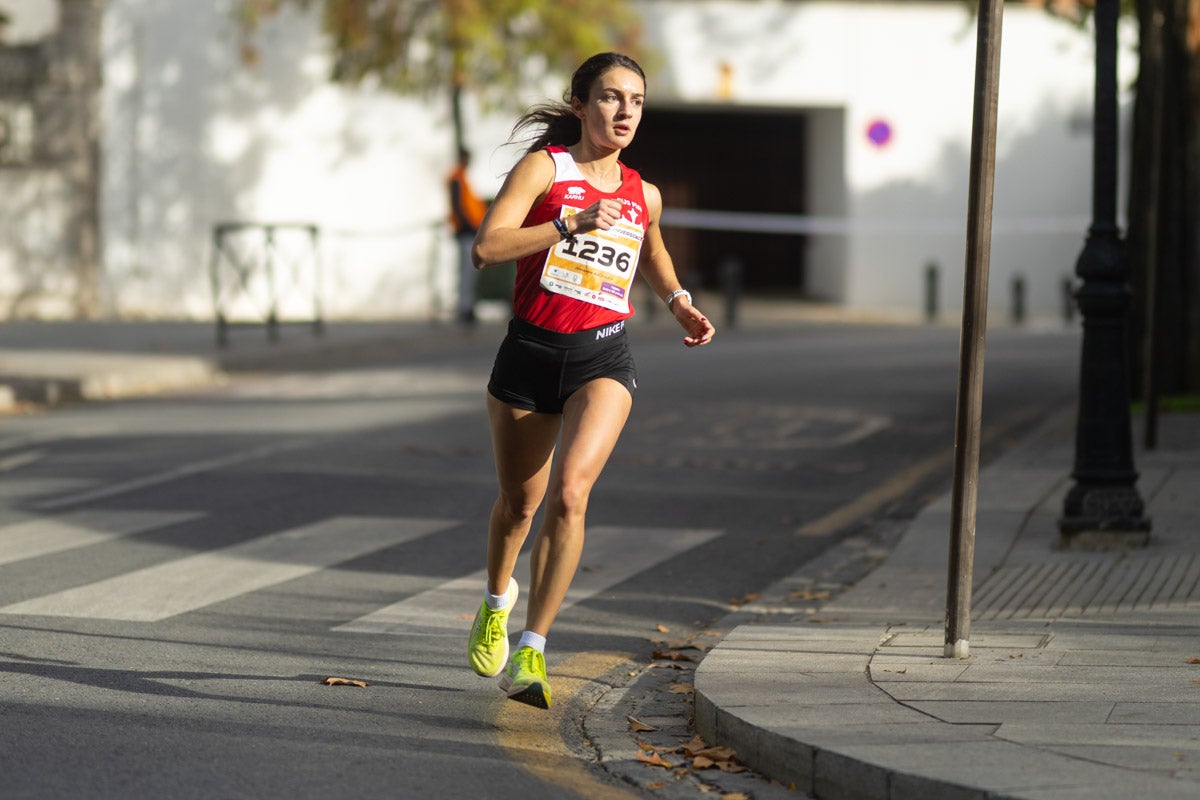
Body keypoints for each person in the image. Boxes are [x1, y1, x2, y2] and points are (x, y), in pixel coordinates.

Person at [466, 52, 715, 709]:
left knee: (570, 494)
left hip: (602, 359)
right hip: (527, 355)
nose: (625, 111)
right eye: (610, 98)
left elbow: (653, 252)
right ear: (580, 105)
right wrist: (568, 224)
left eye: (635, 100)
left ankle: (533, 650)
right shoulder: (546, 171)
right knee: (520, 505)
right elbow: (487, 248)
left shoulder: (644, 193)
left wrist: (679, 300)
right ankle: (496, 601)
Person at [447, 147, 489, 324]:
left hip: (470, 230)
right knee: (467, 272)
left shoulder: (462, 177)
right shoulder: (456, 178)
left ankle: (467, 306)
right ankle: (464, 308)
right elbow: (458, 206)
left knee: (469, 273)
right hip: (466, 231)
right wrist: (470, 225)